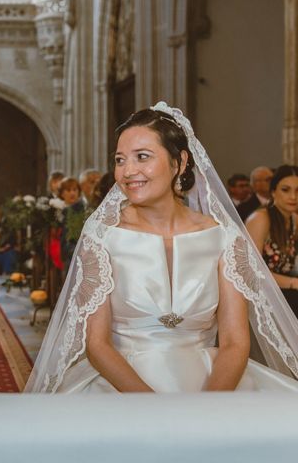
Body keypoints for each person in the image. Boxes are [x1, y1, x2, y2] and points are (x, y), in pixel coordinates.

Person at [26, 102, 298, 394]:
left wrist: (209, 405)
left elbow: (234, 341)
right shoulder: (103, 236)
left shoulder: (223, 238)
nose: (128, 171)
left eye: (142, 157)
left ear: (179, 162)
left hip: (214, 381)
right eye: (120, 160)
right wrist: (155, 409)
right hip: (122, 384)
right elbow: (97, 344)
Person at [246, 166, 298, 317]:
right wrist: (293, 283)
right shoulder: (260, 218)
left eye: (297, 190)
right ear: (273, 191)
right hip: (262, 296)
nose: (293, 197)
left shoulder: (294, 219)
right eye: (286, 190)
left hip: (287, 294)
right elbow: (251, 269)